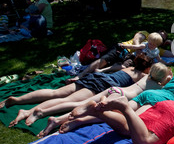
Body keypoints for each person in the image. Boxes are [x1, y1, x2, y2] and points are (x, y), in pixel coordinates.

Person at [52, 63, 174, 137]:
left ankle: (72, 120)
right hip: (164, 99)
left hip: (150, 93)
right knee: (129, 125)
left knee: (118, 111)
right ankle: (89, 116)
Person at [3, 54, 153, 127]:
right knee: (66, 101)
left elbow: (106, 69)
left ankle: (18, 100)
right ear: (147, 68)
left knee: (55, 92)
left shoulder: (125, 67)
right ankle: (29, 112)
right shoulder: (143, 76)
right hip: (102, 85)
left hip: (95, 78)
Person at [35, 63, 172, 136]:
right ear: (162, 78)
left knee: (79, 103)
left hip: (115, 89)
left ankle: (45, 112)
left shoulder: (145, 76)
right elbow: (167, 86)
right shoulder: (157, 87)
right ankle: (58, 120)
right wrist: (168, 77)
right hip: (122, 96)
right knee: (98, 113)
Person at [67, 31, 151, 83]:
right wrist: (139, 48)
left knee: (123, 67)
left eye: (163, 38)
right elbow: (137, 39)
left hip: (131, 57)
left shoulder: (157, 49)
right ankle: (80, 75)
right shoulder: (146, 34)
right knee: (104, 60)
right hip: (123, 48)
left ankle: (99, 72)